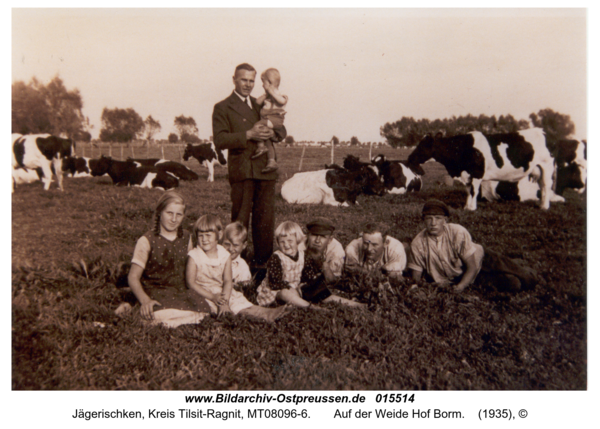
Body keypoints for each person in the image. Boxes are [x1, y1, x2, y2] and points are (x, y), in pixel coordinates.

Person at [212, 63, 287, 280]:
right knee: (240, 221)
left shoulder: (260, 104)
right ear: (234, 79)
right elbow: (220, 139)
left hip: (265, 170)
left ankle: (262, 271)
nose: (248, 84)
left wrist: (271, 131)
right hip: (243, 171)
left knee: (265, 222)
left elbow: (281, 131)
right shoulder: (223, 107)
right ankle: (234, 270)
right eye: (243, 80)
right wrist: (248, 134)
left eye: (252, 81)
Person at [408, 199, 539, 292]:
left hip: (482, 258)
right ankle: (515, 263)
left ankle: (527, 271)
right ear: (423, 220)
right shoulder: (418, 243)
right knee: (513, 284)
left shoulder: (457, 232)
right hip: (464, 275)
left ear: (445, 221)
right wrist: (416, 287)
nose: (433, 223)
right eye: (429, 218)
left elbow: (472, 266)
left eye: (438, 218)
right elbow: (417, 275)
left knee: (528, 280)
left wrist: (460, 288)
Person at [125, 191, 211, 328]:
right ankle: (140, 311)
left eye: (179, 215)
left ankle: (170, 320)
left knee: (206, 310)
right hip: (155, 291)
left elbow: (191, 269)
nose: (174, 219)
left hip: (180, 291)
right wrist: (145, 300)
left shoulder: (187, 237)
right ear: (159, 213)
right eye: (169, 213)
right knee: (157, 313)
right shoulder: (146, 240)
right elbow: (133, 277)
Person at [186, 214, 289, 322]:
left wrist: (224, 300)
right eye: (200, 235)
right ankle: (228, 315)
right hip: (202, 292)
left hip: (222, 291)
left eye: (208, 235)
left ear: (219, 235)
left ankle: (265, 313)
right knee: (206, 306)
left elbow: (227, 281)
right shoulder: (194, 256)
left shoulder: (224, 254)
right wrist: (212, 296)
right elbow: (191, 283)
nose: (204, 239)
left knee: (237, 301)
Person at [300, 218, 366, 308]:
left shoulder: (336, 249)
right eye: (314, 235)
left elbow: (332, 281)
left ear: (330, 239)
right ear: (308, 235)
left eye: (323, 237)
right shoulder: (298, 244)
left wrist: (323, 264)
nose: (317, 240)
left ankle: (357, 304)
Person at [256, 221, 310, 308]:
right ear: (278, 243)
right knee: (285, 293)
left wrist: (304, 284)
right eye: (282, 242)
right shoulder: (276, 257)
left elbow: (307, 273)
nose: (286, 245)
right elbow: (275, 283)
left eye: (290, 241)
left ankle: (296, 303)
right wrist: (290, 288)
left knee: (309, 288)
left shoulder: (303, 255)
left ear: (297, 240)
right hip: (276, 291)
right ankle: (309, 306)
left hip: (295, 288)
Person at [251, 68, 288, 174]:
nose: (262, 85)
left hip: (274, 120)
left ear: (270, 83)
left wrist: (271, 92)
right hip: (269, 121)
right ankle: (271, 161)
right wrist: (265, 95)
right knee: (267, 139)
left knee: (258, 125)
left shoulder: (281, 96)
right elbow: (257, 103)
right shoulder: (267, 97)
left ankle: (260, 147)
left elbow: (281, 101)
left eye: (264, 82)